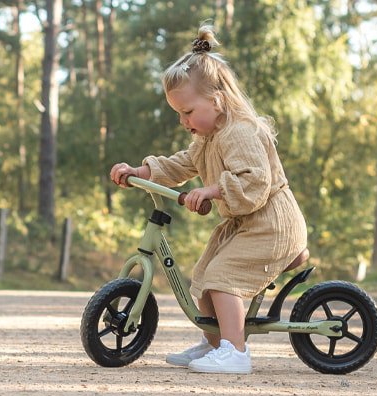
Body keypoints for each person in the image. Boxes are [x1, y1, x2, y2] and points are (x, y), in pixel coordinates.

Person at [110, 24, 307, 374]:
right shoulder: (207, 137)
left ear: (216, 101)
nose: (182, 120)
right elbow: (183, 164)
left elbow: (255, 180)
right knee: (202, 277)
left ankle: (236, 352)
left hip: (272, 224)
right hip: (246, 224)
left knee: (221, 276)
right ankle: (214, 344)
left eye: (187, 112)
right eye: (179, 114)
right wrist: (141, 172)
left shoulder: (240, 131)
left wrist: (211, 190)